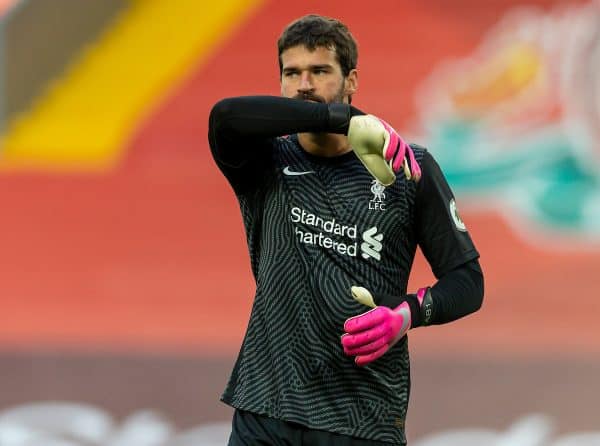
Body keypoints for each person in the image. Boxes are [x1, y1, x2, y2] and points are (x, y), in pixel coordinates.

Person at [208, 14, 484, 446]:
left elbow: (468, 283)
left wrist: (407, 314)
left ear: (351, 79)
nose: (303, 85)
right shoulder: (264, 161)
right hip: (267, 407)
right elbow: (224, 116)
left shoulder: (407, 167)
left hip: (362, 417)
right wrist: (342, 119)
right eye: (291, 72)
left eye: (319, 71)